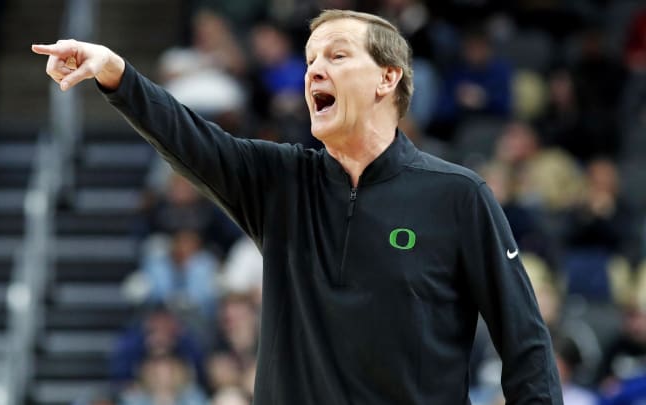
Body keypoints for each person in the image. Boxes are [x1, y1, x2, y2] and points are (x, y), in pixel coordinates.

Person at [32, 9, 562, 404]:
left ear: (387, 77)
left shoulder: (457, 195)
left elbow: (525, 342)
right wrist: (117, 74)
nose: (313, 71)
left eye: (335, 56)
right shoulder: (281, 182)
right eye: (309, 60)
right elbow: (191, 140)